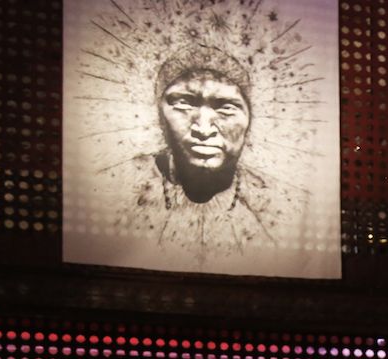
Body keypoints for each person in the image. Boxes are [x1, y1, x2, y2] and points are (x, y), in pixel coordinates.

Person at [105, 44, 306, 256]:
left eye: (226, 107)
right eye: (184, 103)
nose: (203, 129)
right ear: (160, 118)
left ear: (250, 122)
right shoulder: (114, 188)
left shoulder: (285, 206)